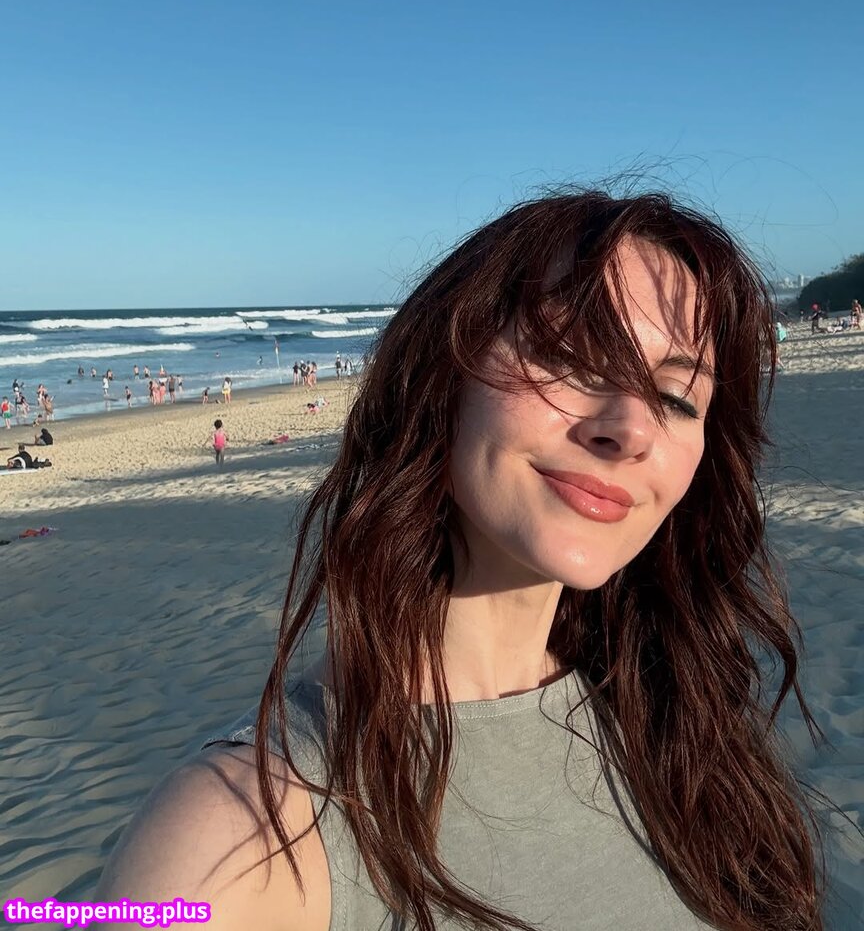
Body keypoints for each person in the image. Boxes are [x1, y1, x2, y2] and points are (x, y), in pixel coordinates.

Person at [97, 192, 832, 931]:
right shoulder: (236, 843)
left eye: (675, 398)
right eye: (572, 355)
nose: (631, 429)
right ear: (441, 376)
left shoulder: (685, 728)